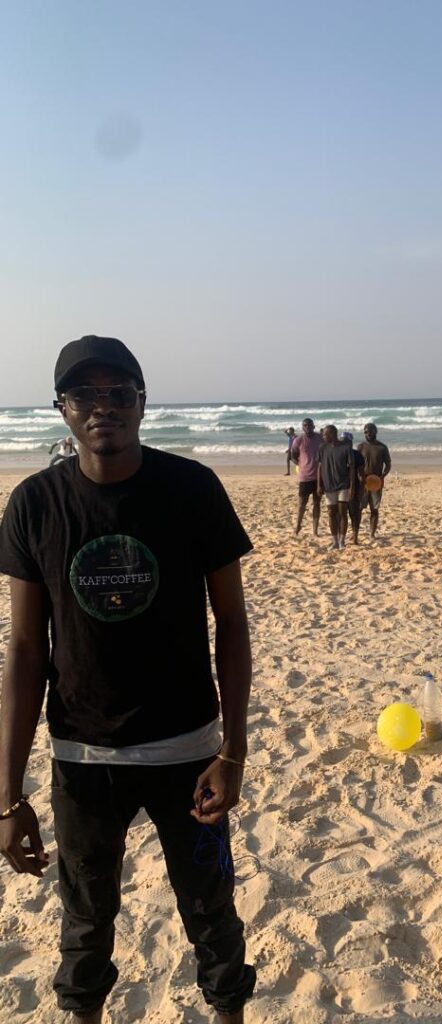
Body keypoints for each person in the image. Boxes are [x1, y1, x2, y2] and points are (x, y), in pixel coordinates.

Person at [0, 336, 255, 1024]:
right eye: (86, 393)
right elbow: (25, 651)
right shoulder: (35, 505)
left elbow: (231, 624)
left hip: (190, 757)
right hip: (82, 761)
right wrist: (7, 794)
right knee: (84, 929)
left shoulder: (191, 489)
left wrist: (232, 753)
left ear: (143, 405)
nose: (103, 406)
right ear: (62, 409)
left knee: (212, 913)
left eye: (120, 393)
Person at [318, 425, 355, 550]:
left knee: (342, 512)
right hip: (328, 486)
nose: (323, 437)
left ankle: (342, 541)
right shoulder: (322, 448)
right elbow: (320, 467)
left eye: (325, 434)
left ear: (332, 434)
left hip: (343, 485)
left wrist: (352, 486)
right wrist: (319, 484)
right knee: (331, 513)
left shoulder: (346, 448)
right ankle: (334, 541)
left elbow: (351, 468)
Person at [357, 423, 391, 538]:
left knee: (374, 509)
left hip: (376, 483)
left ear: (376, 431)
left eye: (371, 431)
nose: (368, 433)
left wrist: (382, 476)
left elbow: (388, 465)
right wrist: (359, 476)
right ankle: (356, 532)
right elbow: (356, 465)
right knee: (359, 509)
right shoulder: (361, 447)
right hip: (363, 483)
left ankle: (372, 534)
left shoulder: (382, 447)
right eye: (366, 432)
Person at [291, 418, 323, 535]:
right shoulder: (298, 440)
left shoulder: (320, 438)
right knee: (301, 505)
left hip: (319, 478)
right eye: (305, 425)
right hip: (304, 478)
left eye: (310, 425)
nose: (308, 427)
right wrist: (300, 464)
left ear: (314, 426)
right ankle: (297, 527)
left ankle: (315, 530)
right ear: (302, 427)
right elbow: (293, 455)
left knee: (317, 504)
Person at [342, 431, 365, 544]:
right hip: (340, 488)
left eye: (346, 442)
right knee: (341, 515)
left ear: (351, 443)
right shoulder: (338, 454)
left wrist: (361, 489)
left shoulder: (357, 455)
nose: (344, 444)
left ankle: (355, 537)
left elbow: (361, 474)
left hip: (353, 488)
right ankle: (343, 538)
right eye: (342, 441)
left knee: (354, 513)